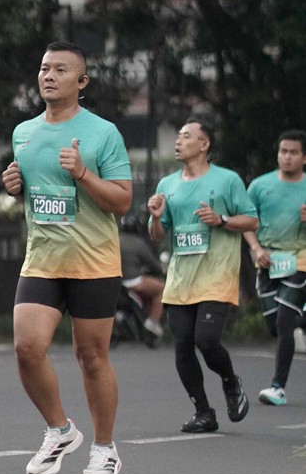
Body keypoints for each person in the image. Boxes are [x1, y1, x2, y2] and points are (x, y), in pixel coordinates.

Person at [1, 41, 132, 474]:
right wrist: (15, 186)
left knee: (91, 357)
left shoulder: (103, 133)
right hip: (42, 259)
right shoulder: (23, 133)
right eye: (44, 68)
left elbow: (123, 201)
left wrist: (82, 173)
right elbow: (36, 192)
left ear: (82, 81)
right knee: (26, 349)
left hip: (94, 262)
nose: (49, 76)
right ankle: (60, 431)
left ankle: (104, 449)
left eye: (60, 69)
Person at [147, 117, 258, 433]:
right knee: (183, 345)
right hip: (181, 279)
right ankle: (203, 412)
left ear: (204, 144)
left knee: (206, 341)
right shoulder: (167, 185)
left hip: (217, 276)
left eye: (185, 136)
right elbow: (157, 234)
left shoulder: (227, 180)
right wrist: (156, 217)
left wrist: (221, 220)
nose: (178, 141)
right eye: (178, 136)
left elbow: (251, 221)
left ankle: (230, 381)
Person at [243, 129, 306, 406]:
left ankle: (278, 387)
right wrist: (256, 249)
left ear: (304, 157)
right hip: (267, 262)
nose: (287, 157)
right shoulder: (259, 186)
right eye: (283, 151)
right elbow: (247, 222)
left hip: (300, 261)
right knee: (275, 325)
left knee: (284, 322)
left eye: (293, 152)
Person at [119, 214, 165, 342]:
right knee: (161, 288)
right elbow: (152, 264)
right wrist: (160, 270)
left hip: (116, 282)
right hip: (133, 282)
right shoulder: (139, 243)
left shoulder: (114, 240)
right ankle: (153, 322)